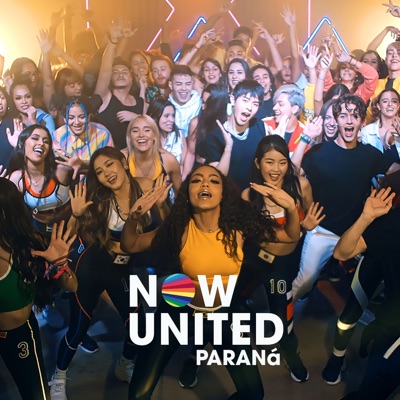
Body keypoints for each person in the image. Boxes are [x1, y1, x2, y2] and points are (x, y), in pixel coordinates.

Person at [121, 164, 301, 400]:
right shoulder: (178, 229)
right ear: (188, 193)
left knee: (253, 394)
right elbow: (130, 244)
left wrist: (291, 208)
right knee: (138, 394)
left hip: (222, 315)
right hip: (178, 312)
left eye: (214, 181)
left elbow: (290, 235)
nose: (205, 183)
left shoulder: (239, 228)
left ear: (223, 194)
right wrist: (134, 217)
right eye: (197, 180)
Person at [48, 147, 170, 399]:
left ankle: (124, 365)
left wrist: (161, 206)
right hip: (92, 265)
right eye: (100, 172)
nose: (106, 174)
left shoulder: (147, 186)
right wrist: (76, 215)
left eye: (110, 165)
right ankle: (58, 376)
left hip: (122, 270)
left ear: (123, 162)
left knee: (140, 327)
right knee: (79, 327)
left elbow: (170, 228)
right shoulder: (100, 198)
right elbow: (69, 234)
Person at [292, 94, 400, 301]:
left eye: (355, 116)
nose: (349, 120)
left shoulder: (369, 154)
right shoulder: (319, 152)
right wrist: (305, 138)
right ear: (336, 120)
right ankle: (278, 316)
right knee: (303, 283)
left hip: (355, 233)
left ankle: (357, 315)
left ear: (362, 122)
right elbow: (292, 175)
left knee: (371, 280)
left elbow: (397, 171)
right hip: (323, 230)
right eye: (343, 116)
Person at [241, 135, 325, 383]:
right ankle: (196, 354)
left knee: (282, 317)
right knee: (223, 301)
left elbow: (309, 216)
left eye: (282, 162)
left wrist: (306, 227)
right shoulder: (249, 195)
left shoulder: (301, 186)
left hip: (280, 267)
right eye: (269, 162)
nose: (276, 169)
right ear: (258, 163)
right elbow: (253, 235)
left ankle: (291, 354)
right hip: (253, 259)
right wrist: (298, 229)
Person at [0, 177, 77, 400]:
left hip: (19, 334)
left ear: (5, 213)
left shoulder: (30, 243)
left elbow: (72, 286)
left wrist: (59, 264)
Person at [332, 185, 400, 400]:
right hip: (393, 332)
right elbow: (342, 252)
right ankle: (336, 360)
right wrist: (366, 218)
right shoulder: (394, 222)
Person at [200, 79, 265, 191]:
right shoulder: (215, 136)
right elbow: (217, 178)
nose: (249, 108)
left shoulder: (259, 128)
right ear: (233, 99)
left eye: (255, 104)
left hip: (254, 196)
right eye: (245, 100)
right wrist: (228, 147)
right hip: (229, 197)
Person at [94, 26, 144, 149]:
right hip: (109, 157)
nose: (120, 75)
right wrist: (113, 42)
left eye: (124, 72)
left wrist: (135, 117)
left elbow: (150, 126)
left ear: (131, 77)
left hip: (136, 157)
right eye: (115, 72)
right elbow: (104, 71)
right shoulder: (105, 98)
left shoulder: (139, 101)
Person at [122, 114, 182, 198]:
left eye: (147, 130)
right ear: (130, 136)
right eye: (135, 131)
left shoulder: (169, 160)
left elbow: (180, 196)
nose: (141, 135)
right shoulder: (121, 158)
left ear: (154, 135)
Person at [52, 98, 114, 177]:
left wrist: (83, 163)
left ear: (88, 117)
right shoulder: (57, 135)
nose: (77, 122)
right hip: (69, 181)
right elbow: (58, 167)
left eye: (81, 117)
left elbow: (110, 163)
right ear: (65, 119)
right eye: (71, 118)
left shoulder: (103, 134)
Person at [185, 84, 229, 178]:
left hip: (224, 174)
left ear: (218, 105)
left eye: (207, 104)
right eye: (202, 101)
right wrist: (185, 178)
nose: (202, 107)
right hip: (201, 171)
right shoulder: (196, 123)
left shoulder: (229, 123)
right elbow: (190, 153)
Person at [361, 88, 400, 162]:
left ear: (398, 106)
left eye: (394, 101)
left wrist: (393, 131)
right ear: (378, 106)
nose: (390, 104)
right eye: (385, 101)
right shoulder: (367, 131)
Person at [147, 96, 187, 168]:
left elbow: (182, 165)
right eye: (166, 116)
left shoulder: (179, 136)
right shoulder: (146, 138)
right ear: (154, 117)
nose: (172, 120)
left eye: (173, 116)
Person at [168, 65, 202, 138]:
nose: (184, 88)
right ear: (170, 85)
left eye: (188, 84)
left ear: (192, 84)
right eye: (179, 84)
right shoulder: (164, 106)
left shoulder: (201, 104)